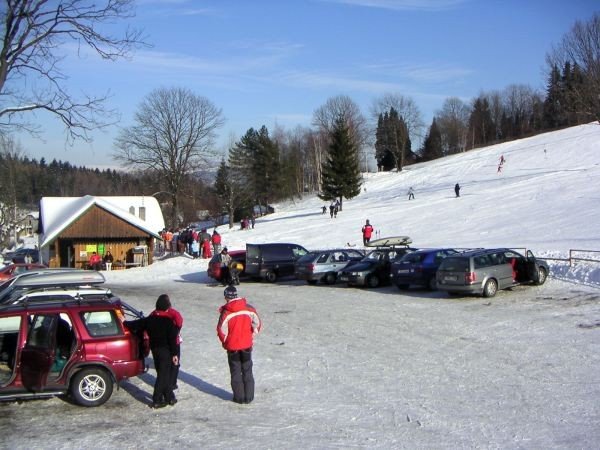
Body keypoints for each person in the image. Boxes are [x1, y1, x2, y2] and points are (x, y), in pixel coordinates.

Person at [125, 294, 179, 408]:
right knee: (164, 376)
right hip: (166, 352)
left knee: (163, 374)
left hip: (155, 350)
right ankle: (157, 399)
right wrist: (175, 354)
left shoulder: (150, 320)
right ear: (166, 307)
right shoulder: (168, 321)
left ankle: (169, 397)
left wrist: (124, 322)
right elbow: (172, 339)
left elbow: (135, 325)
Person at [217, 285, 262, 404]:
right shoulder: (248, 308)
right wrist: (252, 334)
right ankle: (249, 397)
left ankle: (239, 397)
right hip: (247, 345)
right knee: (247, 369)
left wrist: (226, 342)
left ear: (226, 297)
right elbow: (257, 323)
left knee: (236, 371)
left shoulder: (226, 313)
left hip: (233, 347)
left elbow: (221, 330)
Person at [149, 294, 183, 395]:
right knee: (175, 363)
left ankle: (164, 382)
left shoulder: (154, 313)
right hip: (173, 342)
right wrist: (176, 331)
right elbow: (180, 322)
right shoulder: (173, 313)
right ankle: (171, 383)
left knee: (161, 365)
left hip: (158, 344)